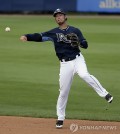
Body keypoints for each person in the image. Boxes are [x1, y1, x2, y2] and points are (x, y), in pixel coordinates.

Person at [20, 8, 113, 129]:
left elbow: (85, 44)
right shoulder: (53, 33)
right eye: (56, 16)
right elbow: (40, 36)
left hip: (78, 60)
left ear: (65, 17)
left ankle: (105, 94)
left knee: (84, 75)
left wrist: (79, 42)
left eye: (60, 15)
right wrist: (27, 36)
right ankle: (60, 118)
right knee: (63, 92)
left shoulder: (75, 30)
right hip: (64, 65)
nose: (58, 17)